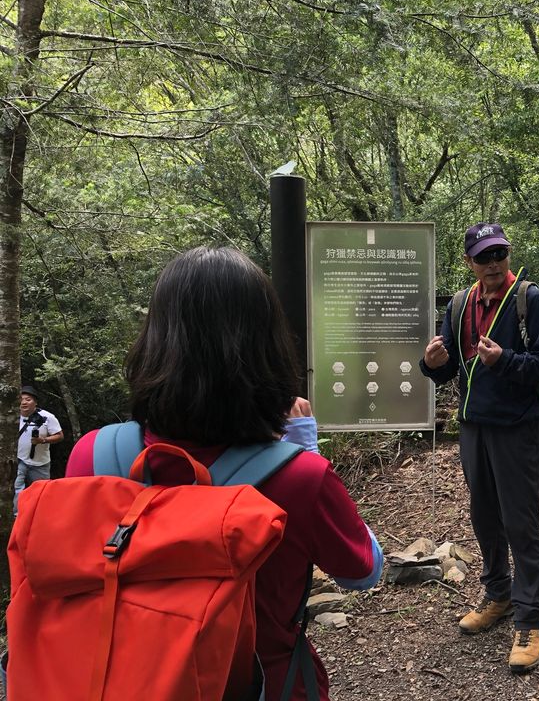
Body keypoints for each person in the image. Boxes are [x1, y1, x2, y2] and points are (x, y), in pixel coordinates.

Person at [66, 247, 383, 701]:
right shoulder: (300, 478)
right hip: (261, 685)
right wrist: (304, 450)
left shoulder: (91, 457)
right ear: (266, 345)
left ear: (155, 341)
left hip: (119, 683)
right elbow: (363, 571)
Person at [419, 223, 539, 673]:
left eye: (499, 253)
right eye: (484, 257)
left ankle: (530, 618)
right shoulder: (461, 305)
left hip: (518, 429)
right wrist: (430, 364)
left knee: (522, 522)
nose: (494, 263)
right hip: (474, 428)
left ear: (508, 254)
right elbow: (448, 372)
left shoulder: (528, 299)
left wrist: (505, 360)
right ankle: (498, 596)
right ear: (469, 263)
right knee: (485, 517)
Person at [14, 385, 63, 517]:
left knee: (41, 492)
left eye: (28, 399)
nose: (24, 402)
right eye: (21, 399)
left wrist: (43, 440)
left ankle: (40, 517)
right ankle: (17, 517)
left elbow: (59, 435)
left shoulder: (47, 417)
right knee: (17, 489)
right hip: (19, 460)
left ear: (35, 402)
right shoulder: (11, 415)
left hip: (40, 463)